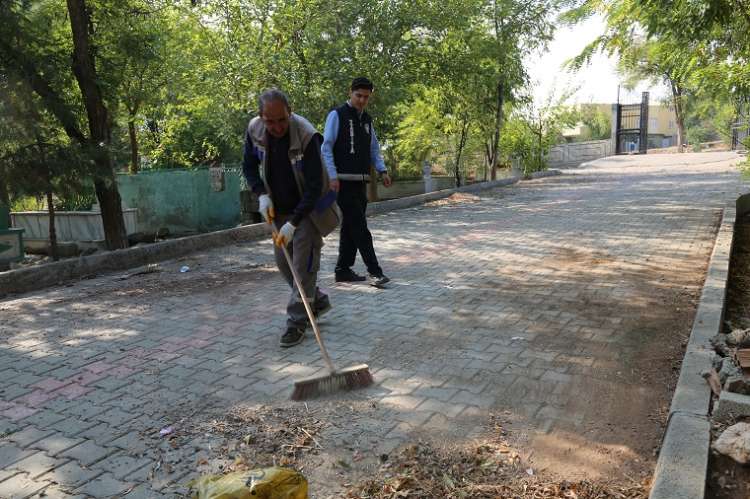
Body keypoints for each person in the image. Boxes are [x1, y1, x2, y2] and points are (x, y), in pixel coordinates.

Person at [243, 89, 340, 348]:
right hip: (278, 208)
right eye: (269, 121)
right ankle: (315, 301)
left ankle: (297, 322)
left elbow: (312, 187)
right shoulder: (254, 130)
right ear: (260, 116)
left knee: (303, 268)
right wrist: (261, 194)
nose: (275, 127)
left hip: (308, 210)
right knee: (284, 265)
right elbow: (248, 167)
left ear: (290, 111)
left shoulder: (306, 135)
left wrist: (294, 223)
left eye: (281, 120)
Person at [321, 77, 392, 288]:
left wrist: (382, 170)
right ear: (350, 93)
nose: (362, 100)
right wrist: (332, 175)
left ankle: (343, 269)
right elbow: (326, 147)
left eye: (366, 97)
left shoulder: (367, 120)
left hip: (361, 181)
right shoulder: (337, 115)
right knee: (360, 226)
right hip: (341, 182)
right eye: (358, 95)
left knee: (351, 226)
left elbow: (374, 149)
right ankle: (375, 272)